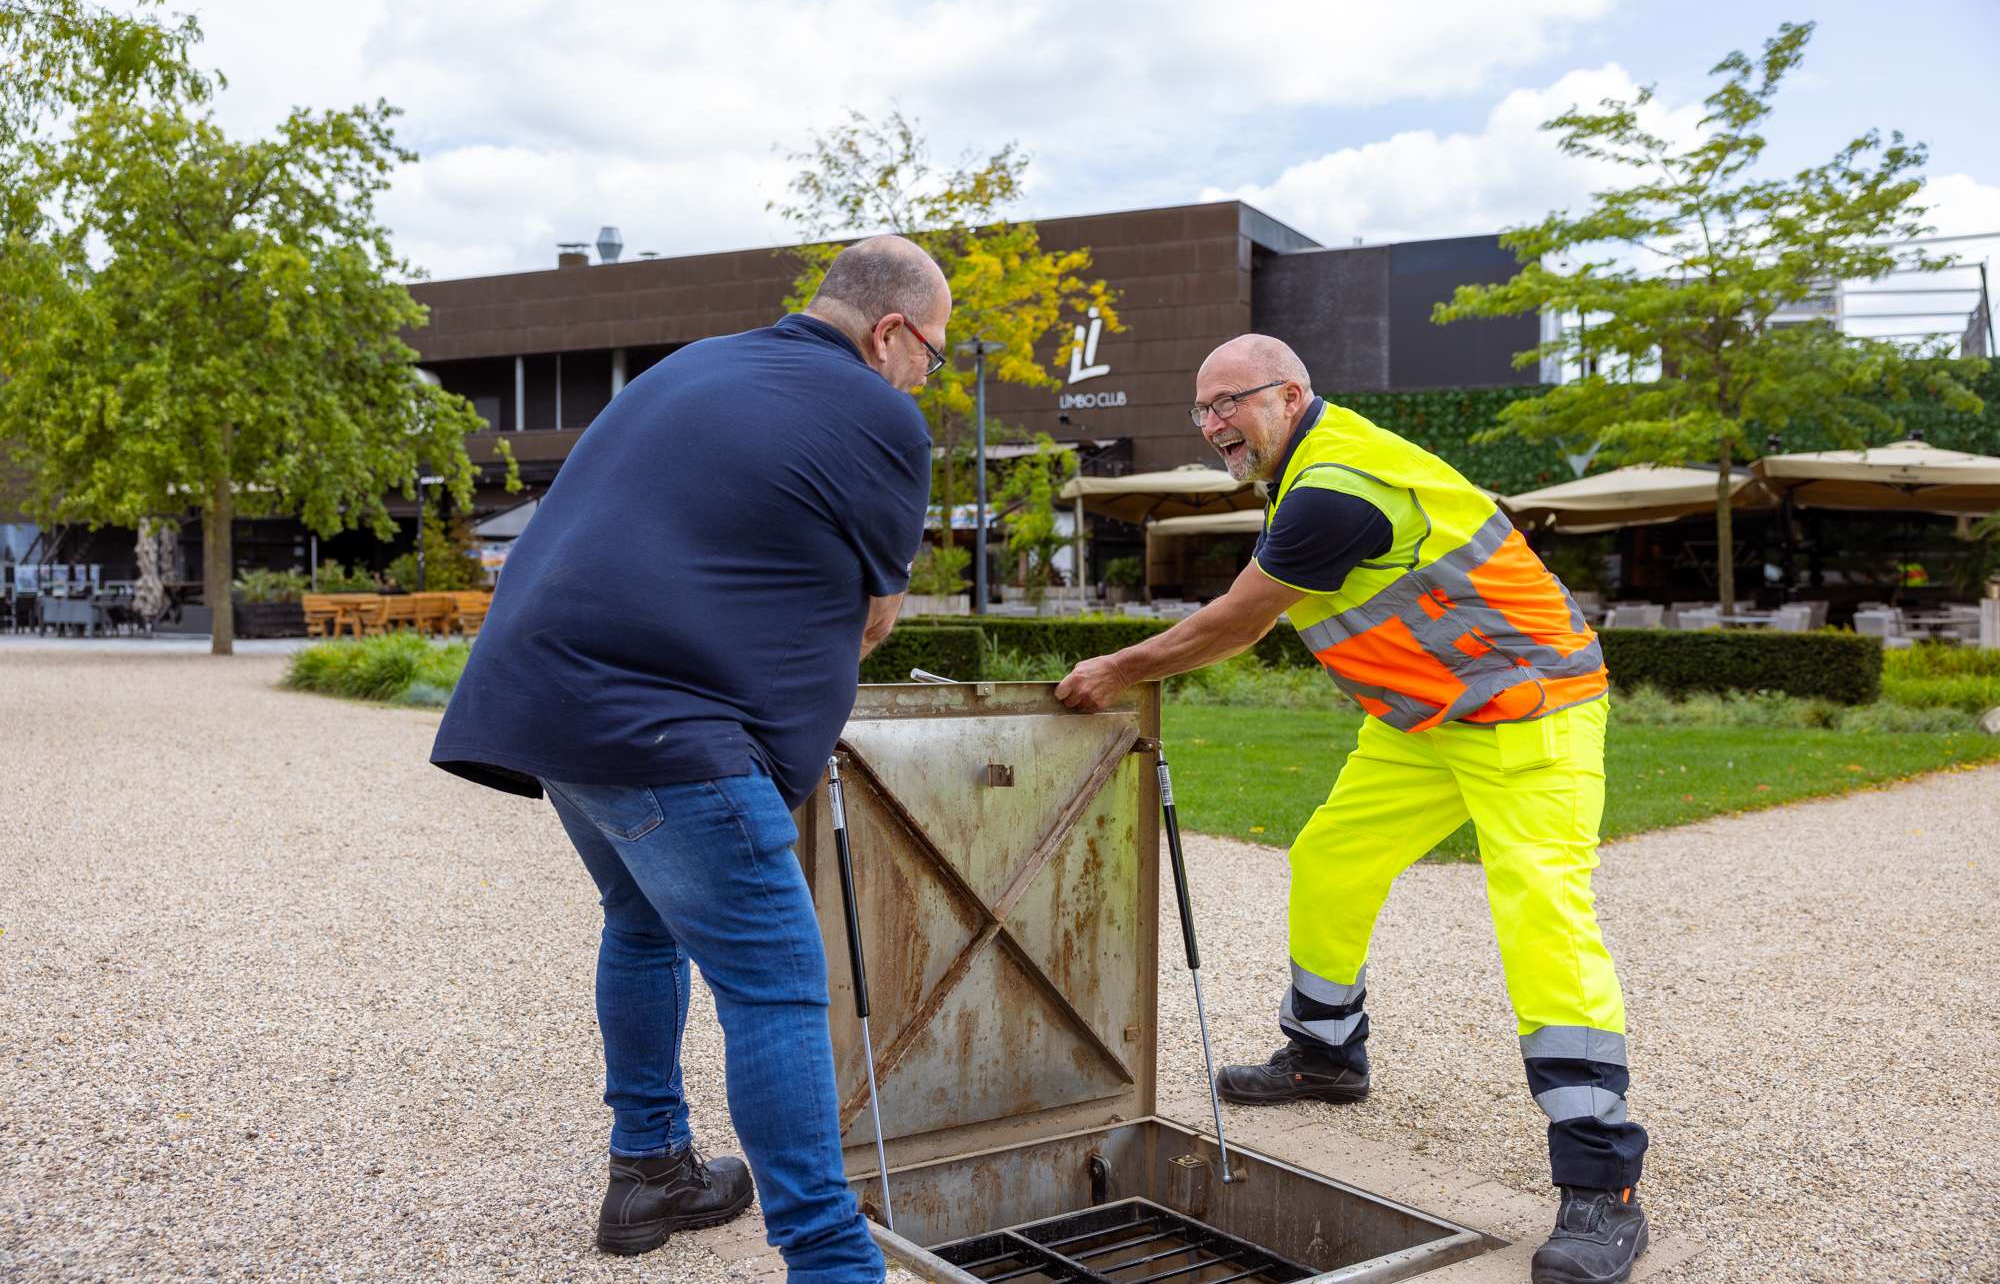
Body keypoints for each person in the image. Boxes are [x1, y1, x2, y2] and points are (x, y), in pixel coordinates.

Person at [1055, 335, 1649, 1284]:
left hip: (1533, 708)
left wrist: (1119, 669)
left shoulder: (1335, 488)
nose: (1214, 426)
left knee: (1542, 909)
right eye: (1201, 411)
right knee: (1329, 856)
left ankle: (1603, 1179)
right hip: (1426, 722)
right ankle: (1325, 1055)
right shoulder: (1307, 467)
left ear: (1291, 394)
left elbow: (1237, 623)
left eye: (1231, 404)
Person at [430, 235, 947, 1282]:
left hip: (545, 703)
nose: (927, 375)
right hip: (664, 727)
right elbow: (872, 616)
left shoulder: (697, 360)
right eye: (932, 351)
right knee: (776, 984)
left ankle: (651, 1166)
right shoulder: (877, 411)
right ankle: (831, 1259)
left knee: (642, 921)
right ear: (889, 329)